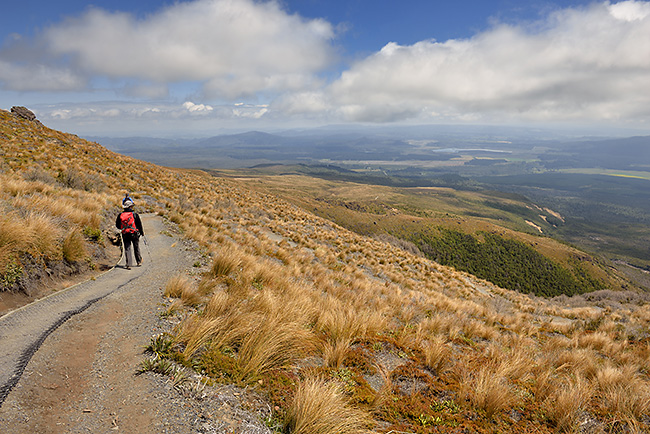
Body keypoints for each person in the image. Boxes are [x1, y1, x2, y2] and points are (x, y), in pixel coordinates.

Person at [116, 198, 144, 269]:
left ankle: (128, 264)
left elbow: (117, 225)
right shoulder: (135, 215)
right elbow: (139, 224)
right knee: (136, 247)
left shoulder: (120, 215)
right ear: (131, 206)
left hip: (125, 233)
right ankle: (139, 261)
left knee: (127, 248)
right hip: (134, 233)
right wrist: (142, 233)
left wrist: (123, 229)